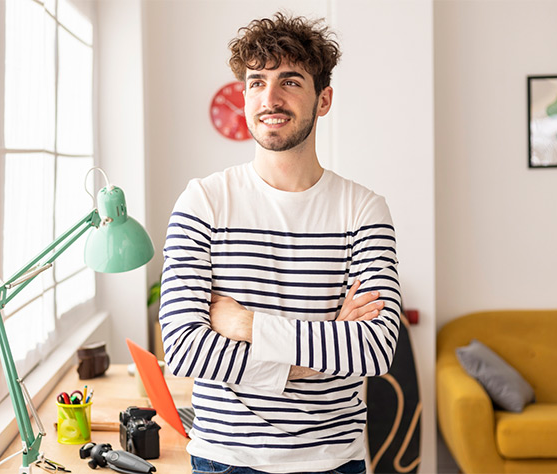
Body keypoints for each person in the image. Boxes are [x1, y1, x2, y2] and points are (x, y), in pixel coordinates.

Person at [159, 12, 402, 474]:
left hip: (333, 461)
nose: (269, 98)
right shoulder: (203, 201)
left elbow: (373, 350)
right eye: (256, 82)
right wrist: (305, 366)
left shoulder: (363, 210)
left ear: (323, 99)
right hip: (224, 460)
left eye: (289, 81)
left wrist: (246, 323)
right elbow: (185, 347)